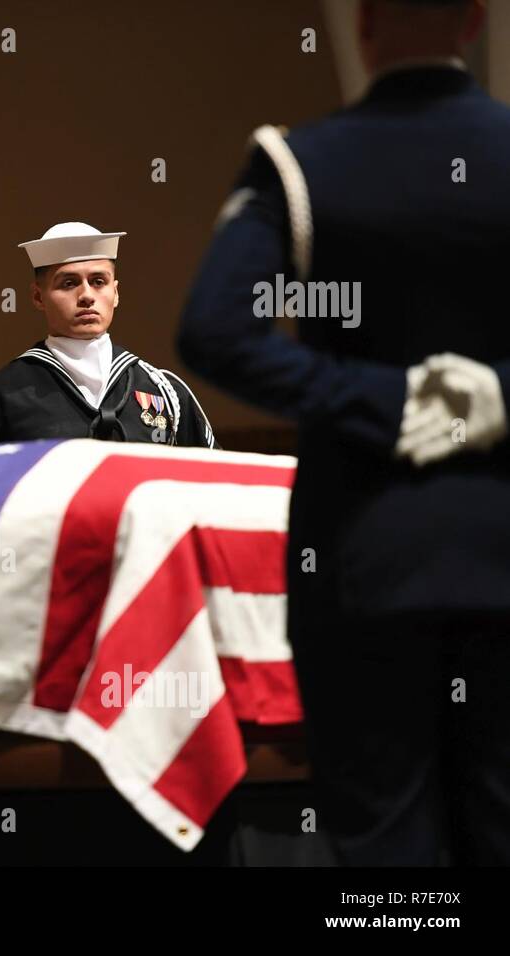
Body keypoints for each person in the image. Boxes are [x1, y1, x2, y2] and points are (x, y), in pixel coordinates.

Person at [178, 0, 509, 865]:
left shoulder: (299, 165)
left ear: (363, 25)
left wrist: (387, 400)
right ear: (474, 22)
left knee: (386, 856)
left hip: (366, 561)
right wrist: (496, 399)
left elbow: (215, 329)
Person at [0, 222, 216, 451]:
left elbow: (211, 486)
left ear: (116, 293)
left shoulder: (165, 392)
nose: (86, 296)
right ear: (38, 296)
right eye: (68, 283)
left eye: (98, 282)